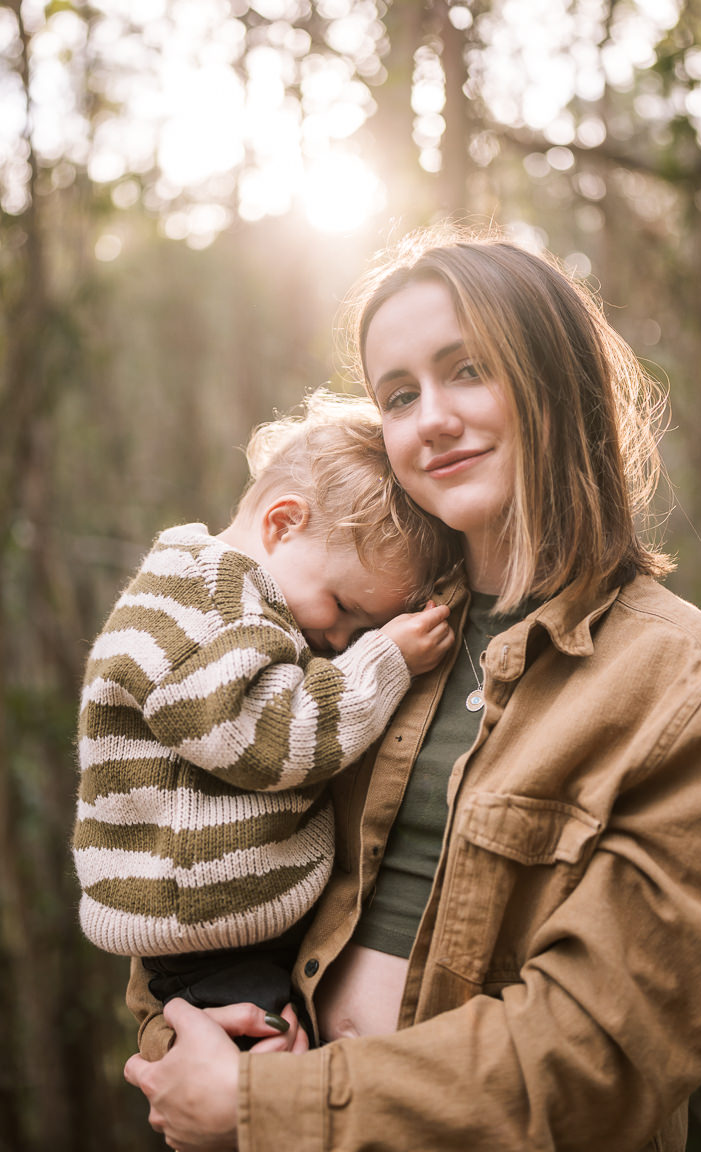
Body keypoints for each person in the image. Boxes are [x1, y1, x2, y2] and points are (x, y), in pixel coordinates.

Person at [123, 227, 701, 1151]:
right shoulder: (339, 641)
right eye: (399, 394)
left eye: (467, 369)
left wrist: (267, 1109)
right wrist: (191, 1044)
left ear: (555, 381)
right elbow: (187, 872)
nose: (429, 417)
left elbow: (602, 1060)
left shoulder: (693, 698)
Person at [74, 389, 455, 1046]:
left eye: (365, 626)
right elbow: (265, 740)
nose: (341, 640)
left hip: (228, 926)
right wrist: (383, 658)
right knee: (267, 1074)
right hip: (209, 935)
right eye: (341, 607)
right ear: (282, 524)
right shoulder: (213, 604)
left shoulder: (223, 592)